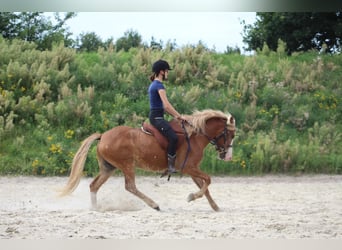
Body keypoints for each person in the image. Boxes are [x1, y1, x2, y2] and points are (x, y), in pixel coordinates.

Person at [148, 59, 186, 174]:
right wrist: (179, 116)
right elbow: (167, 105)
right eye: (167, 71)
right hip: (157, 118)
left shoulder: (153, 84)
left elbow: (164, 108)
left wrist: (175, 116)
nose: (168, 73)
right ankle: (170, 166)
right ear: (162, 72)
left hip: (157, 116)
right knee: (174, 137)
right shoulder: (159, 85)